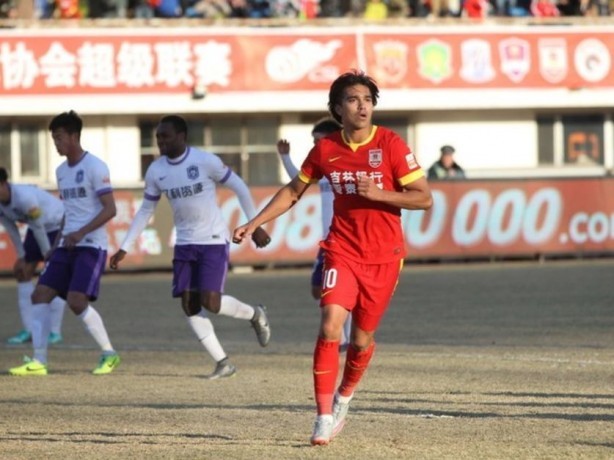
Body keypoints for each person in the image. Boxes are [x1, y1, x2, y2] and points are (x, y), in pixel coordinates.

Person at [233, 70, 433, 445]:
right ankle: (323, 415)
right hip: (340, 250)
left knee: (360, 340)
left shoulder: (390, 144)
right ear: (338, 108)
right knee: (329, 324)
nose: (362, 106)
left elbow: (424, 197)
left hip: (384, 256)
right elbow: (294, 191)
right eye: (354, 100)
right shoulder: (325, 149)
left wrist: (380, 195)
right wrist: (253, 221)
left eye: (368, 100)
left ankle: (345, 396)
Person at [109, 114, 271, 380]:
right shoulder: (156, 171)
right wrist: (125, 246)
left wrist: (254, 225)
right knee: (188, 304)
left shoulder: (205, 161)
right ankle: (223, 362)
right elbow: (145, 210)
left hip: (212, 241)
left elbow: (239, 186)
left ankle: (256, 314)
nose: (161, 141)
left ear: (182, 136)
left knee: (211, 302)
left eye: (166, 136)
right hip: (184, 243)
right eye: (158, 136)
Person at [9, 110, 121, 376]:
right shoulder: (61, 172)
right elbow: (68, 211)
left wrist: (81, 233)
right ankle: (39, 362)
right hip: (65, 245)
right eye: (54, 139)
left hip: (91, 246)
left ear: (74, 136)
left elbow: (110, 209)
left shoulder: (95, 167)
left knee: (76, 301)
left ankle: (109, 353)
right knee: (40, 294)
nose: (56, 144)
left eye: (59, 138)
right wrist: (56, 244)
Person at [276, 118, 352, 351]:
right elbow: (299, 182)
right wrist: (285, 157)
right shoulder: (323, 164)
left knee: (334, 290)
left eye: (318, 140)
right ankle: (344, 335)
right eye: (313, 141)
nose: (315, 145)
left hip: (345, 238)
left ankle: (344, 339)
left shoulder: (348, 163)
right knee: (317, 289)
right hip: (327, 239)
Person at [0, 167, 66, 346]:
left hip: (57, 226)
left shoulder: (25, 197)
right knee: (21, 271)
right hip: (37, 228)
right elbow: (12, 229)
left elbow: (38, 227)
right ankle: (29, 330)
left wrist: (47, 256)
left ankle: (54, 332)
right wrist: (21, 256)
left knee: (54, 276)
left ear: (4, 183)